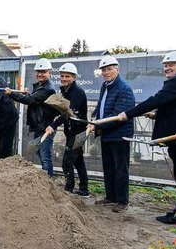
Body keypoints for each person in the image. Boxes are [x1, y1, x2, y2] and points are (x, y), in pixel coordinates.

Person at [118, 52, 176, 224]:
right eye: (165, 65)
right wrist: (157, 115)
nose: (167, 68)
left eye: (171, 65)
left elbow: (155, 100)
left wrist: (128, 114)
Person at [89, 56, 135, 213]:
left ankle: (122, 200)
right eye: (103, 70)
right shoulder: (105, 86)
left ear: (117, 69)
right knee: (108, 167)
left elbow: (118, 116)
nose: (106, 72)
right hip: (107, 133)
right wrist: (94, 117)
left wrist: (97, 125)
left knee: (120, 168)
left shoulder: (124, 89)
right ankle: (111, 196)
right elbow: (101, 106)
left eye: (109, 69)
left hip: (120, 134)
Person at [44, 62, 89, 196]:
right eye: (62, 76)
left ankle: (68, 190)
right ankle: (84, 189)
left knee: (67, 162)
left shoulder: (77, 93)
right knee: (79, 161)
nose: (64, 79)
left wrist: (53, 125)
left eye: (67, 76)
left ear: (74, 77)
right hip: (71, 132)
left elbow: (68, 113)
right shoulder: (65, 91)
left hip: (78, 132)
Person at [7, 58, 57, 176]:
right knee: (40, 152)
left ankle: (48, 180)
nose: (40, 74)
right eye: (38, 71)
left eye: (43, 71)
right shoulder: (41, 86)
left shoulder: (47, 89)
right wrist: (26, 94)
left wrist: (12, 94)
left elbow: (31, 100)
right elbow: (35, 99)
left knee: (45, 155)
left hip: (45, 126)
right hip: (40, 125)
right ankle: (47, 178)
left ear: (49, 72)